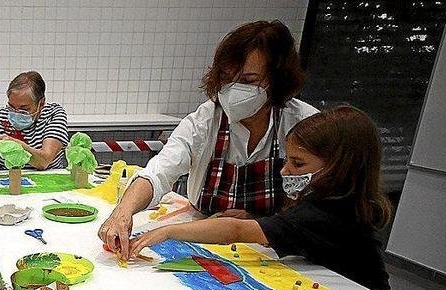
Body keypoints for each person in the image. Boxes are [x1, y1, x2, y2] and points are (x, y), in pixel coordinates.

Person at [100, 20, 318, 259]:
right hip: (199, 239)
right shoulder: (205, 121)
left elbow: (318, 207)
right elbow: (159, 171)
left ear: (277, 79)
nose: (234, 90)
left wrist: (259, 224)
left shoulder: (304, 125)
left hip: (276, 250)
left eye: (248, 81)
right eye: (226, 78)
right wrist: (123, 211)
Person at [128, 106, 393, 290]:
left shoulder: (325, 213)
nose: (284, 171)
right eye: (286, 160)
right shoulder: (336, 201)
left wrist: (165, 231)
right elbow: (288, 232)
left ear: (339, 167)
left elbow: (235, 231)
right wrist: (259, 223)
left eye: (298, 164)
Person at [0, 71, 69, 170]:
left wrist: (15, 144)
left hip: (49, 180)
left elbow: (44, 161)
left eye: (24, 109)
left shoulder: (53, 114)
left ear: (41, 103)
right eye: (11, 107)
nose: (16, 113)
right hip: (9, 180)